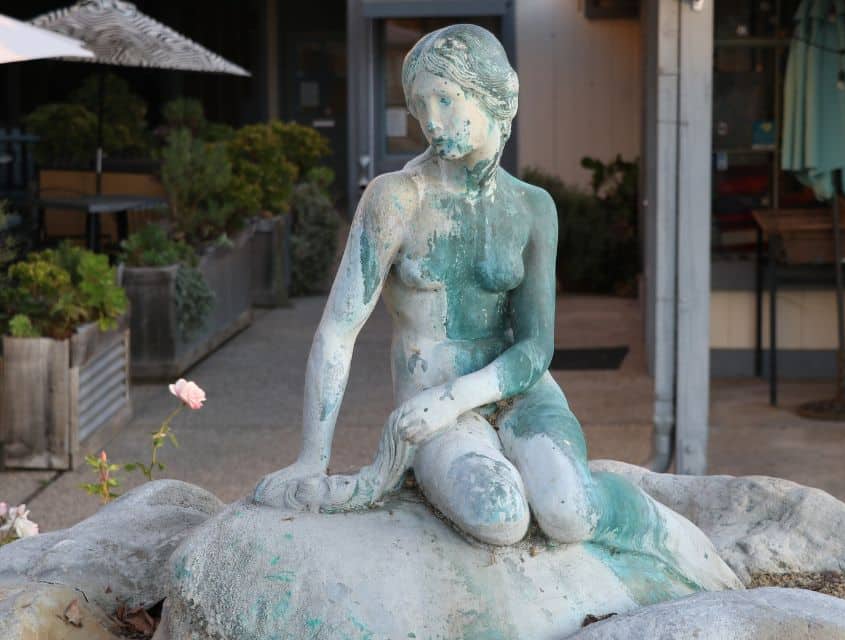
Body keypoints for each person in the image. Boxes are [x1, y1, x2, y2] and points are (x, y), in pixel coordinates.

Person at [253, 24, 667, 554]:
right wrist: (313, 458)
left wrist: (459, 398)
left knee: (569, 511)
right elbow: (337, 332)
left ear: (496, 96)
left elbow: (536, 348)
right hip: (430, 400)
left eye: (446, 100)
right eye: (419, 105)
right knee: (500, 516)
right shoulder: (397, 200)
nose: (430, 121)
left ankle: (657, 525)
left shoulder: (532, 208)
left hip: (518, 393)